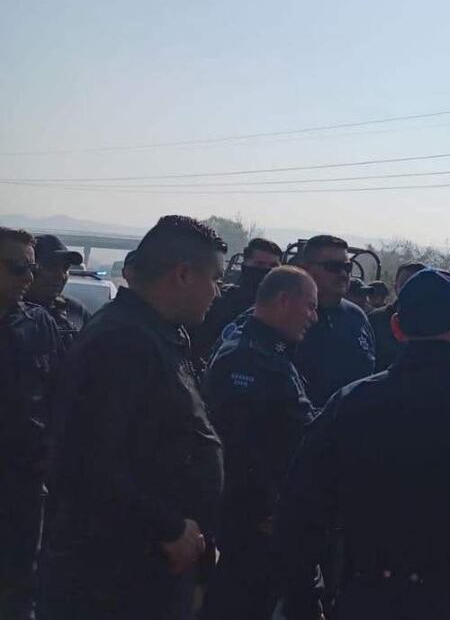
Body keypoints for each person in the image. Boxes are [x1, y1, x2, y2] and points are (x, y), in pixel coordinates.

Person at [274, 268, 450, 620]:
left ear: (396, 328)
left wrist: (305, 601)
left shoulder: (351, 404)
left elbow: (297, 513)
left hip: (368, 598)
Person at [42, 215, 227, 620]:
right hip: (115, 578)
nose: (218, 292)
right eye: (214, 278)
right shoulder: (123, 342)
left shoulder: (154, 335)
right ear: (182, 274)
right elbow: (89, 461)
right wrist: (168, 528)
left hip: (143, 569)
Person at [200, 267, 319, 620]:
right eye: (309, 307)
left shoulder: (273, 352)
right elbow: (238, 446)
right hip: (250, 523)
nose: (313, 317)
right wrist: (265, 506)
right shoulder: (245, 357)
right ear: (284, 301)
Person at [0, 228, 63, 620]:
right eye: (18, 267)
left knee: (18, 591)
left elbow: (60, 397)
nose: (28, 276)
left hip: (22, 488)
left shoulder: (38, 325)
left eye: (32, 267)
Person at [293, 235, 377, 407]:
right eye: (333, 267)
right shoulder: (284, 314)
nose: (343, 274)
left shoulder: (357, 317)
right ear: (306, 269)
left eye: (347, 267)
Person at [190, 237, 282, 362]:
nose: (266, 270)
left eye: (273, 266)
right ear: (245, 265)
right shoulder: (219, 300)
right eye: (259, 264)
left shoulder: (284, 308)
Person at [25, 234, 90, 346]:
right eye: (51, 267)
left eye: (65, 268)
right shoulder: (10, 314)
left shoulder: (76, 310)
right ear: (30, 268)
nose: (60, 275)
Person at [369, 262, 426, 372]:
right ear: (396, 288)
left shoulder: (437, 323)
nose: (411, 290)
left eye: (418, 285)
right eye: (406, 284)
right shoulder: (375, 320)